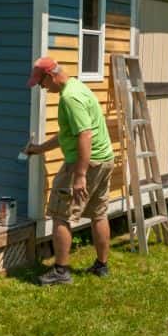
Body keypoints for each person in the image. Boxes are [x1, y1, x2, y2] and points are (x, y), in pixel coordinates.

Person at [25, 56, 115, 286]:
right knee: (98, 214)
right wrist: (39, 149)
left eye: (42, 82)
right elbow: (70, 134)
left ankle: (61, 271)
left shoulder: (70, 98)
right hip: (104, 160)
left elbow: (85, 135)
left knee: (60, 215)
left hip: (86, 163)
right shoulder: (77, 86)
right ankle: (101, 266)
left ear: (51, 76)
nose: (42, 88)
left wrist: (80, 175)